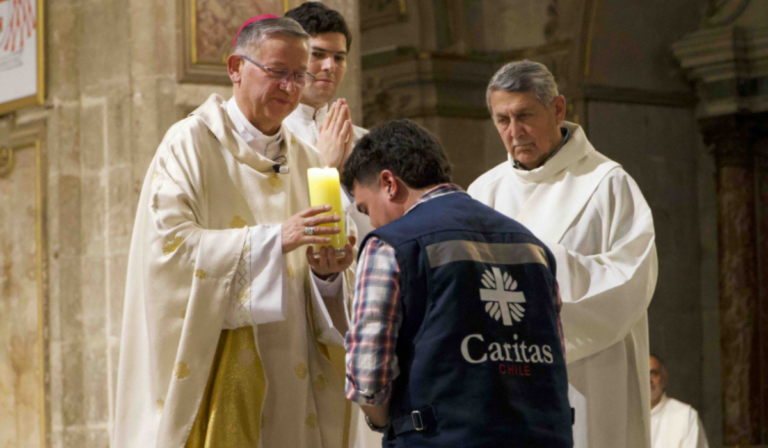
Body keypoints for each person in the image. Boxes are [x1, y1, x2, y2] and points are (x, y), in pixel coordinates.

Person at [113, 16, 359, 448]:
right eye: (277, 71)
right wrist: (275, 239)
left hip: (293, 379)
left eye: (298, 75)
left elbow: (331, 281)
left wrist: (328, 274)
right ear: (235, 68)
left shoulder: (309, 160)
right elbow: (168, 251)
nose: (289, 87)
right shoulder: (189, 143)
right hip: (221, 379)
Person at [342, 119, 574, 447]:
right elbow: (555, 357)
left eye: (366, 209)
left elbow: (368, 377)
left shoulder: (389, 245)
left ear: (389, 183)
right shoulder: (531, 244)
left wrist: (382, 420)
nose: (373, 222)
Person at [468, 60, 658, 448]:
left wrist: (538, 267)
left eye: (525, 115)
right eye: (502, 120)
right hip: (506, 378)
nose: (514, 132)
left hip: (588, 373)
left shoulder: (608, 184)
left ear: (557, 109)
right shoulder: (483, 193)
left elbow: (631, 281)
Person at [284, 1, 372, 240]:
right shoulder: (268, 136)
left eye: (339, 58)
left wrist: (349, 179)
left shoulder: (365, 140)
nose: (329, 66)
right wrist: (323, 166)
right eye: (318, 54)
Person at [650, 355, 709, 448]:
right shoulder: (626, 416)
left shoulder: (686, 416)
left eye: (653, 374)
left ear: (664, 380)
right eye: (642, 374)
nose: (648, 380)